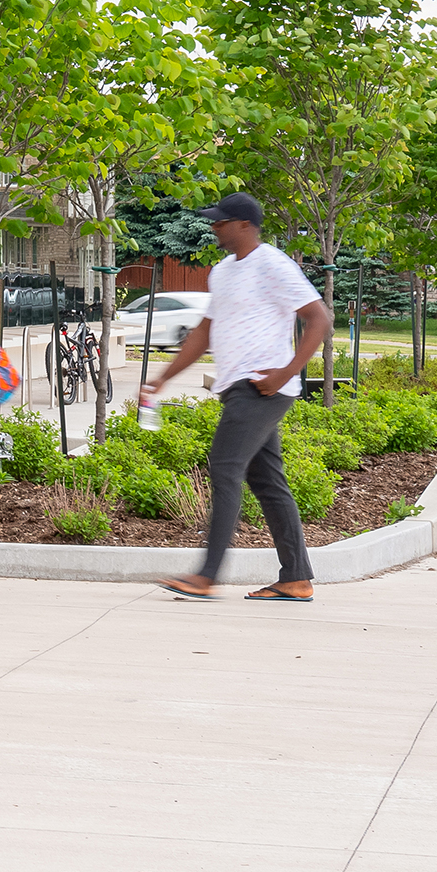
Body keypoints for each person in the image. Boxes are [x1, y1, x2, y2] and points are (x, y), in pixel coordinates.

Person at [140, 194, 328, 603]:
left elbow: (319, 318)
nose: (214, 227)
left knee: (225, 466)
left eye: (221, 221)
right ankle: (296, 578)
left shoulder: (273, 264)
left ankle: (206, 576)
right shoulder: (223, 271)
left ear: (245, 225)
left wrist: (286, 372)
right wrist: (162, 379)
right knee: (268, 482)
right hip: (237, 389)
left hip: (261, 387)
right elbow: (204, 332)